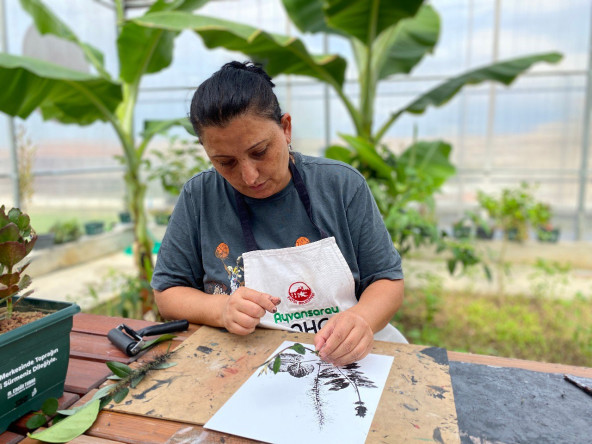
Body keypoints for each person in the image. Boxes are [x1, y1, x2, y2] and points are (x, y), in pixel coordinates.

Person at [151, 61, 406, 367]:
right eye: (225, 162)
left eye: (259, 152)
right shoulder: (199, 197)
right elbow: (167, 293)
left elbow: (387, 280)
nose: (249, 176)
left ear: (286, 128)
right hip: (244, 365)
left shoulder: (340, 185)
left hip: (344, 359)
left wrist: (361, 319)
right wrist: (220, 310)